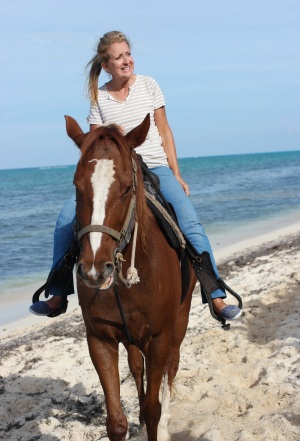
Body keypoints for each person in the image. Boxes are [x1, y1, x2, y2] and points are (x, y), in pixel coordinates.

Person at [29, 31, 241, 321]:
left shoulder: (149, 85)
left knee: (190, 223)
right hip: (117, 174)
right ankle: (57, 293)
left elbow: (164, 131)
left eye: (128, 54)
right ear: (106, 65)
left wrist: (176, 174)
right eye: (119, 57)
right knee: (65, 221)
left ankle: (215, 294)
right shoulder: (99, 97)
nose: (126, 61)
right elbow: (95, 145)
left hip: (154, 166)